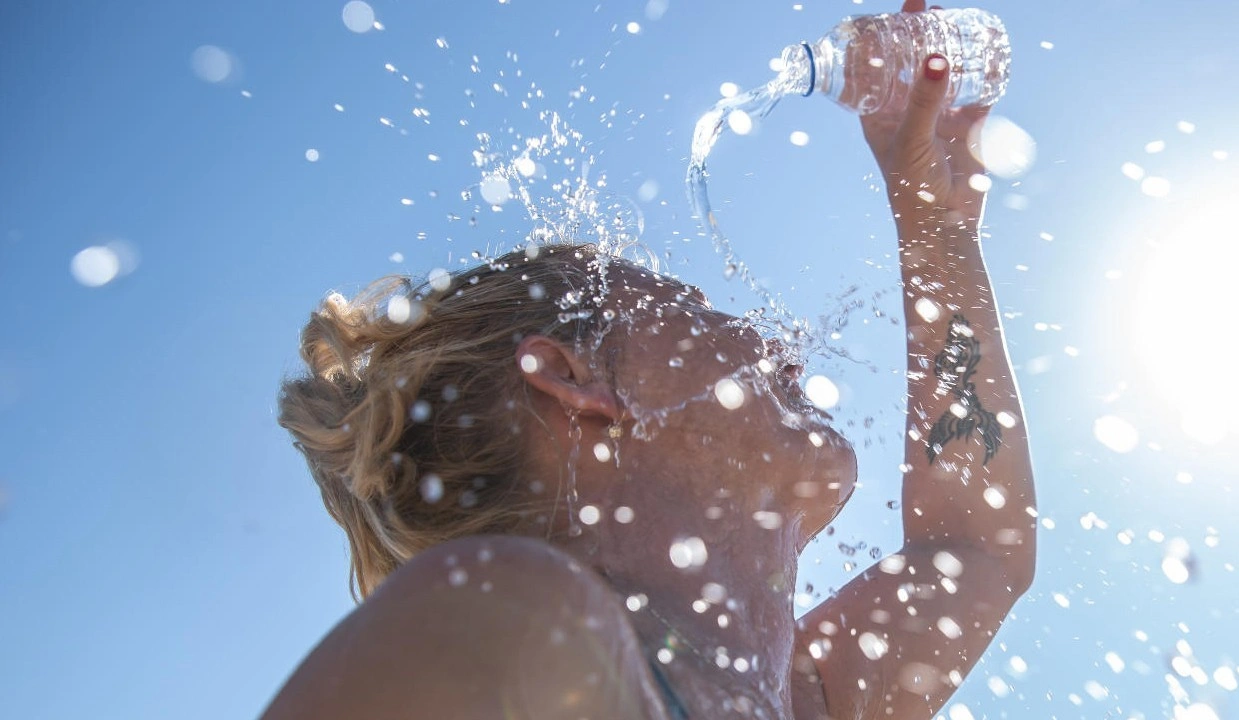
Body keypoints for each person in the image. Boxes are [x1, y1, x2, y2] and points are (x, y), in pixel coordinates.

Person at [260, 1, 1036, 716]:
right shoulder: (514, 621)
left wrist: (936, 224)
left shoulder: (786, 699)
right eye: (690, 310)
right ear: (573, 379)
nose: (772, 342)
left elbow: (977, 545)